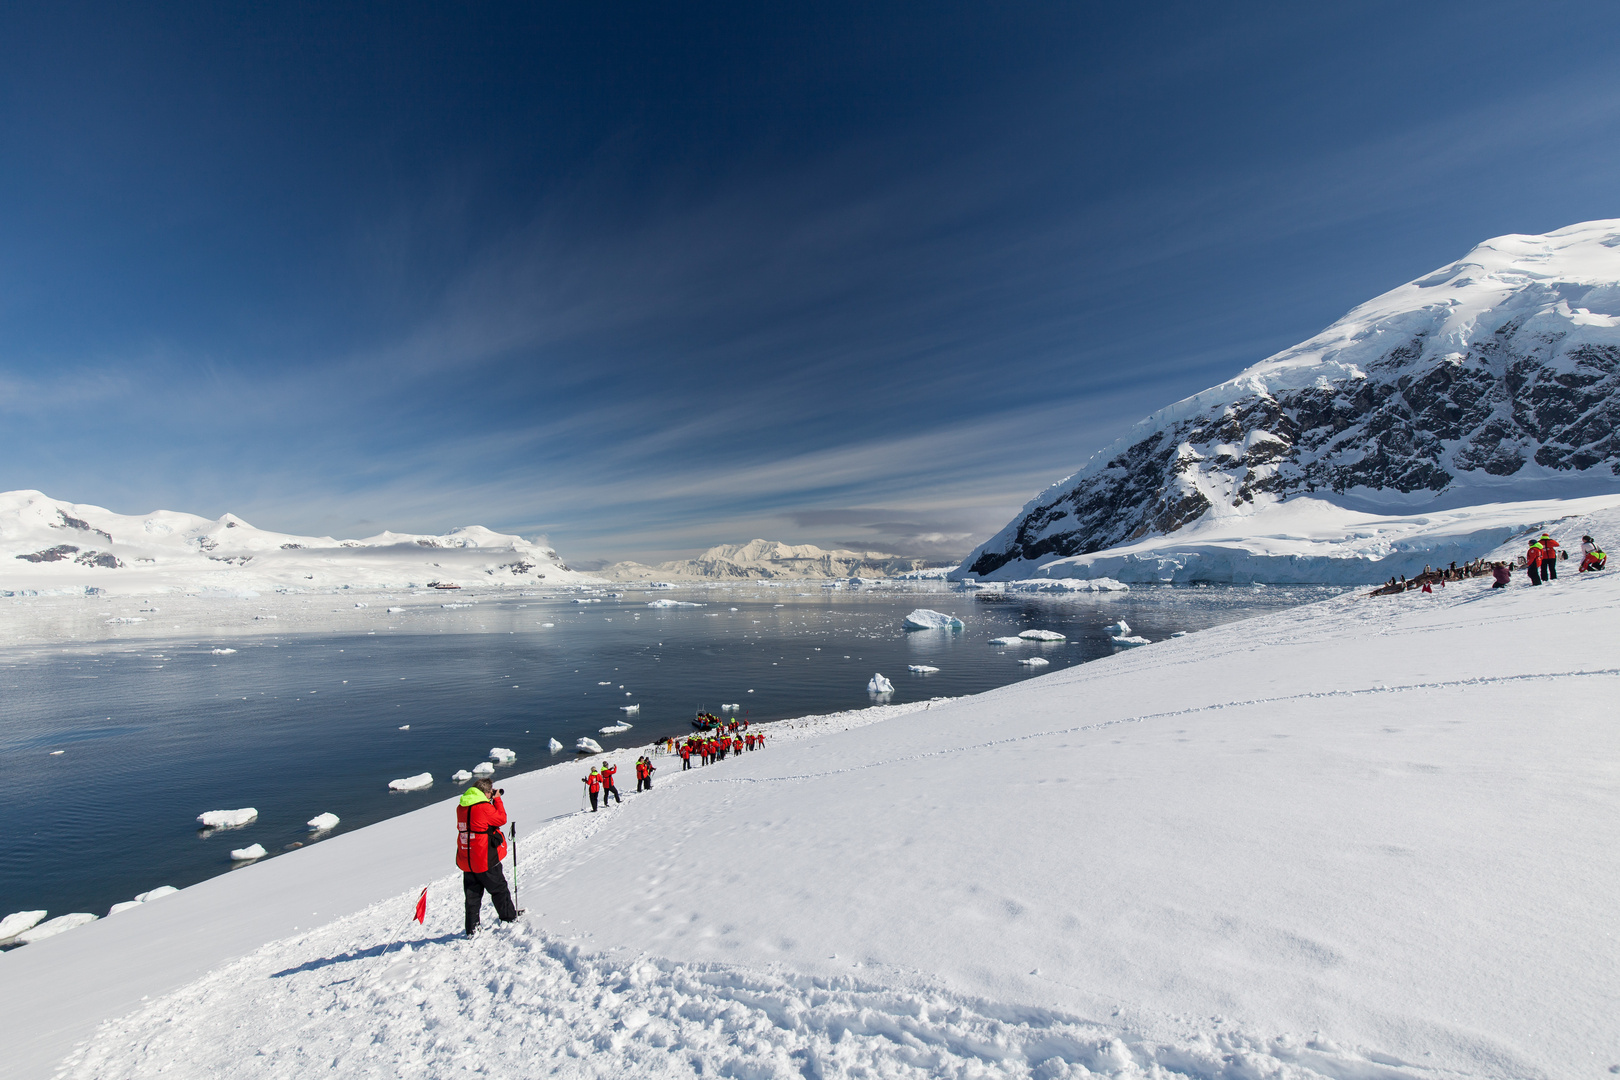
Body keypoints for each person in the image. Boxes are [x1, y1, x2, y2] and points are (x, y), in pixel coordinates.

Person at [456, 778, 520, 937]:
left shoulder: (461, 807)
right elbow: (501, 819)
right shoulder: (484, 807)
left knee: (472, 896)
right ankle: (508, 918)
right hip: (484, 857)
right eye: (490, 791)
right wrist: (497, 800)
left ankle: (472, 929)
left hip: (467, 858)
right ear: (485, 792)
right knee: (499, 889)